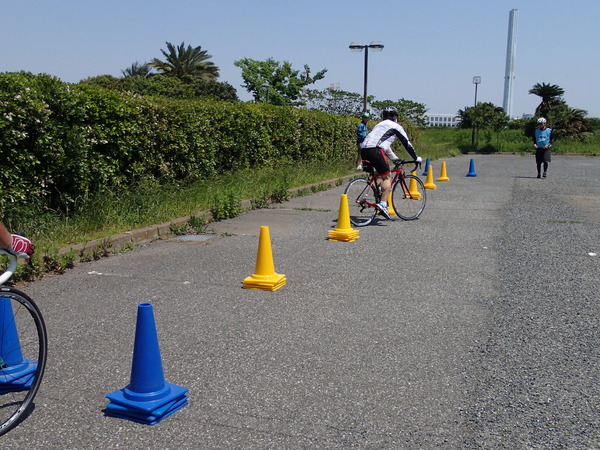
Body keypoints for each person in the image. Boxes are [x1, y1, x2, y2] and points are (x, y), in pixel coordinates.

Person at [360, 106, 421, 219]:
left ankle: (378, 192)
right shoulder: (396, 126)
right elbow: (406, 144)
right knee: (387, 177)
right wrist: (416, 158)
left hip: (364, 150)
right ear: (395, 117)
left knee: (378, 174)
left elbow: (385, 146)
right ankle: (383, 204)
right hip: (376, 150)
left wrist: (395, 159)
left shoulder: (379, 125)